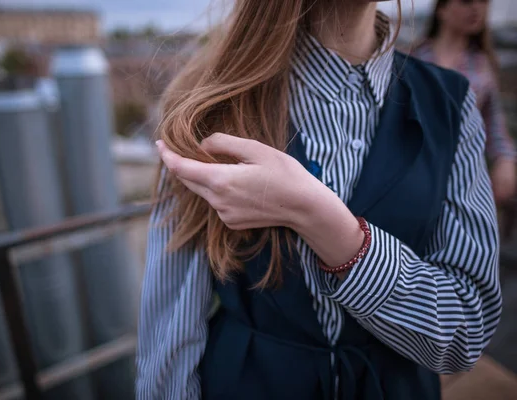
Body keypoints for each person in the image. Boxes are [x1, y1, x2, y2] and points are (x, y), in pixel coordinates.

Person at [137, 0, 502, 399]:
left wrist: (319, 217)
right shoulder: (208, 104)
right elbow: (169, 340)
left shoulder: (450, 103)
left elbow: (467, 332)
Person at [414, 0, 517, 204]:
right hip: (415, 172)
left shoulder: (482, 65)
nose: (476, 8)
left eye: (484, 2)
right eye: (467, 1)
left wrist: (506, 160)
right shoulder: (413, 58)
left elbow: (493, 124)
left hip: (462, 180)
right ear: (442, 10)